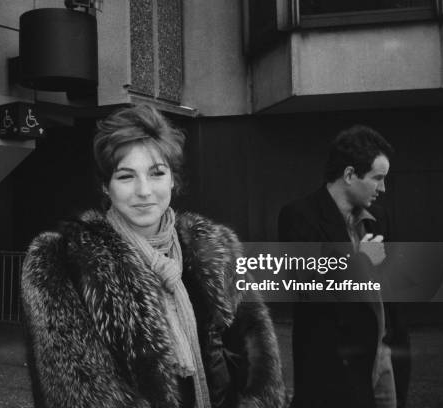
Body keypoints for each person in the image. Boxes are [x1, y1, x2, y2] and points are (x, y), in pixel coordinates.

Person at [21, 105, 286, 408]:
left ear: (173, 179)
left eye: (157, 173)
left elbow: (256, 357)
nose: (144, 191)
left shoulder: (213, 247)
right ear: (105, 186)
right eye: (125, 176)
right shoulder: (64, 261)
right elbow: (78, 391)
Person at [278, 125, 408, 408]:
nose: (383, 188)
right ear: (349, 175)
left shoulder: (381, 217)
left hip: (384, 363)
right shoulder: (298, 216)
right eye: (378, 178)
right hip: (332, 373)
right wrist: (359, 261)